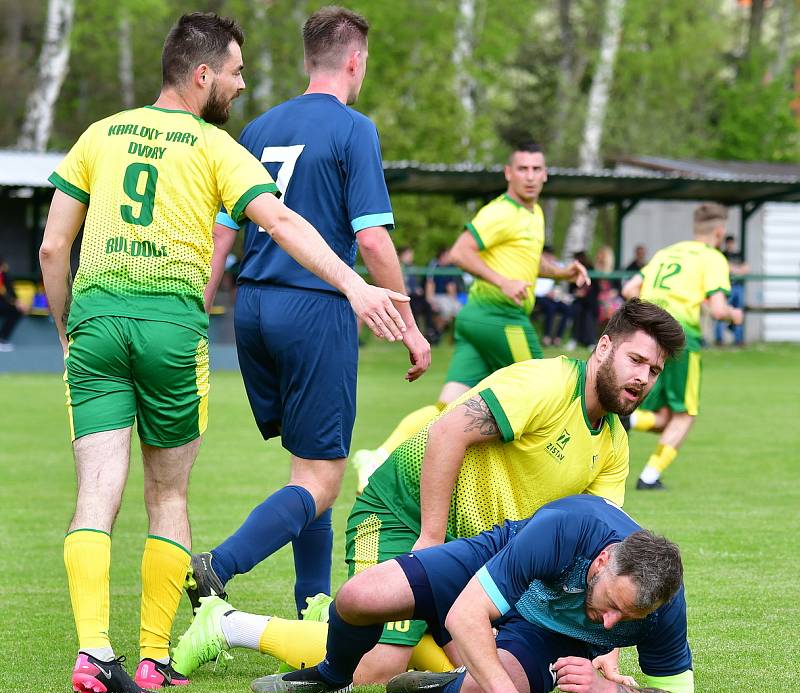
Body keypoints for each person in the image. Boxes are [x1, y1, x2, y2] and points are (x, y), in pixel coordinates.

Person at [39, 11, 410, 693]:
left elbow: (53, 247)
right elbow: (282, 220)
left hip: (96, 317)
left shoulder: (98, 134)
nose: (240, 87)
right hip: (174, 327)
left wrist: (67, 328)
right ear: (203, 74)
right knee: (168, 491)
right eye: (235, 73)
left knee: (97, 490)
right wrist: (356, 284)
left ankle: (93, 652)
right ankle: (152, 657)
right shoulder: (214, 146)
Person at [175, 301, 681, 686]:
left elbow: (608, 554)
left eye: (654, 371)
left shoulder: (614, 440)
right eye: (636, 359)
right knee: (380, 664)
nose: (642, 377)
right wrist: (430, 536)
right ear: (604, 347)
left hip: (479, 546)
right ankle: (227, 624)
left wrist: (605, 646)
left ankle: (339, 616)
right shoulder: (547, 384)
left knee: (482, 661)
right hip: (402, 511)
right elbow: (447, 432)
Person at [188, 7, 430, 619]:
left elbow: (222, 237)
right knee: (323, 477)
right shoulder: (355, 129)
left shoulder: (257, 128)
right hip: (315, 308)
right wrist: (409, 325)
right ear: (355, 60)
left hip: (254, 308)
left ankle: (314, 607)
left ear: (308, 60)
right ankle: (221, 565)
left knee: (307, 468)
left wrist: (202, 314)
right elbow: (373, 241)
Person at [246, 495, 694, 693]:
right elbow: (466, 615)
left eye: (628, 619)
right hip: (503, 559)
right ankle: (332, 676)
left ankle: (450, 682)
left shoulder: (663, 606)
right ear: (601, 563)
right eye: (611, 605)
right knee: (359, 597)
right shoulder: (565, 531)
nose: (613, 625)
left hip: (549, 633)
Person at [352, 141, 590, 492]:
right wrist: (502, 281)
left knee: (447, 407)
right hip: (500, 317)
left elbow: (528, 259)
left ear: (545, 174)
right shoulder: (501, 212)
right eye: (522, 169)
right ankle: (561, 484)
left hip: (476, 319)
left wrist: (562, 273)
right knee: (554, 392)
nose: (530, 176)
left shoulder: (533, 214)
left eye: (536, 169)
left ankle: (378, 457)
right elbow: (460, 252)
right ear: (508, 173)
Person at [622, 203, 743, 490]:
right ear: (719, 231)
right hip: (680, 336)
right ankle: (649, 477)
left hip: (647, 333)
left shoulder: (667, 253)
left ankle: (632, 420)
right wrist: (734, 314)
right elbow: (718, 309)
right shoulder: (713, 258)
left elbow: (629, 290)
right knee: (685, 414)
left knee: (665, 417)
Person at [714, 235, 749, 346]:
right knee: (721, 311)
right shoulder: (722, 255)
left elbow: (746, 269)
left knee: (738, 312)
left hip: (738, 287)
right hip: (727, 287)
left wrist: (734, 269)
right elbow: (726, 267)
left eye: (732, 243)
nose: (730, 245)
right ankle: (719, 339)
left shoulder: (739, 254)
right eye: (728, 243)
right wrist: (737, 269)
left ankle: (738, 339)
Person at [425, 246, 463, 340]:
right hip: (436, 295)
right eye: (448, 255)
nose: (450, 257)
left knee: (460, 310)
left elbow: (451, 286)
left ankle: (455, 337)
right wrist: (430, 301)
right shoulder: (434, 265)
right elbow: (430, 284)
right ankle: (437, 333)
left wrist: (454, 300)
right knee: (446, 310)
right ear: (442, 256)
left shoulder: (451, 267)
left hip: (447, 296)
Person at [0, 257, 28, 351]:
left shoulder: (5, 276)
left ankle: (2, 339)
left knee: (16, 311)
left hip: (4, 305)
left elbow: (10, 294)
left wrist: (17, 303)